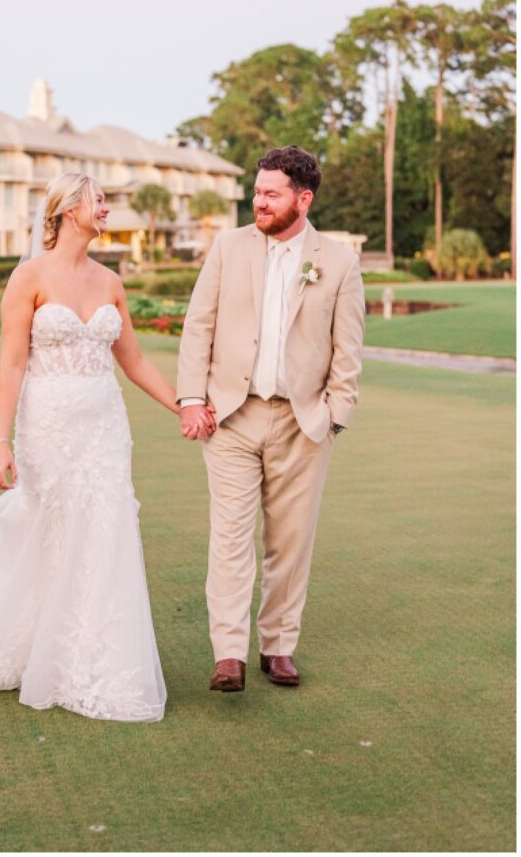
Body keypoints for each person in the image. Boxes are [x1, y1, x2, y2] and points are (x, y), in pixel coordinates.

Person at [0, 171, 215, 721]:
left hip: (105, 428)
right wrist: (0, 443)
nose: (108, 208)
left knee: (105, 531)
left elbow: (133, 361)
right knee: (52, 531)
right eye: (100, 200)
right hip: (48, 426)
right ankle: (32, 651)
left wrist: (185, 404)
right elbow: (12, 364)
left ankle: (96, 662)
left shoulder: (110, 281)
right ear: (68, 209)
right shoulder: (28, 278)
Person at [176, 145, 365, 693]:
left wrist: (335, 417)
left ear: (302, 199)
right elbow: (198, 327)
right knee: (230, 538)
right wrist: (192, 398)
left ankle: (278, 647)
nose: (258, 202)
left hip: (301, 423)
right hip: (231, 418)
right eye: (257, 192)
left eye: (271, 194)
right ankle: (228, 654)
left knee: (290, 541)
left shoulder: (338, 262)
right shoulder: (228, 247)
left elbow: (347, 349)